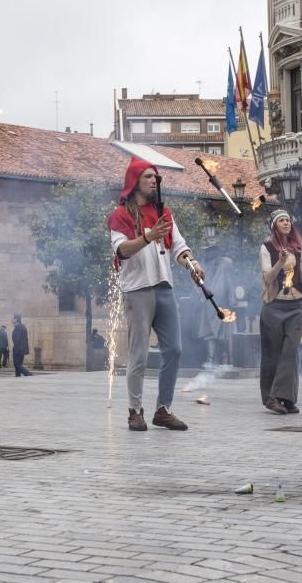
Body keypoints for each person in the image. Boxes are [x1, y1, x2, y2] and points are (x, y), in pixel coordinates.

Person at [108, 155, 204, 431]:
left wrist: (192, 263)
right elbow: (121, 250)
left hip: (164, 287)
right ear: (134, 182)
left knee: (174, 348)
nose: (154, 181)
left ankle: (163, 409)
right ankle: (134, 411)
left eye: (155, 177)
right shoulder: (121, 215)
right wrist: (148, 237)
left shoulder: (164, 213)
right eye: (148, 177)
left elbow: (179, 246)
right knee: (138, 353)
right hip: (137, 289)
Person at [259, 210, 302, 415]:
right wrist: (280, 261)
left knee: (291, 353)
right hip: (274, 306)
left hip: (295, 307)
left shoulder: (299, 248)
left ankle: (284, 397)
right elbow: (268, 278)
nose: (286, 223)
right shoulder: (266, 248)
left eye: (288, 220)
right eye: (282, 221)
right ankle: (271, 398)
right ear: (275, 226)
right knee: (273, 354)